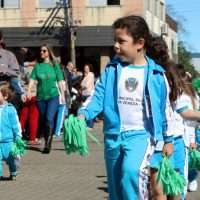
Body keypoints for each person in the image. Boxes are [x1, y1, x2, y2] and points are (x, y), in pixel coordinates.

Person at [78, 15, 174, 200]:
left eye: (121, 41)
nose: (116, 45)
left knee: (131, 172)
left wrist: (167, 139)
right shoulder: (111, 70)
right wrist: (84, 113)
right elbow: (97, 96)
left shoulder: (156, 75)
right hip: (113, 136)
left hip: (141, 136)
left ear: (139, 43)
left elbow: (165, 110)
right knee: (115, 190)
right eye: (115, 40)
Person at [147, 36, 200, 200]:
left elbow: (182, 109)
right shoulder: (148, 74)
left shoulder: (169, 76)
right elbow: (183, 110)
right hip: (158, 141)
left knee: (170, 192)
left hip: (172, 140)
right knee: (163, 193)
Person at [27, 44, 64, 154]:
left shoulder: (54, 65)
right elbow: (32, 80)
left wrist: (63, 95)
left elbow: (60, 81)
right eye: (40, 51)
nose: (41, 52)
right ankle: (46, 138)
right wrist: (29, 91)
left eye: (44, 51)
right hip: (40, 98)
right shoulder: (37, 66)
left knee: (49, 118)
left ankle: (47, 145)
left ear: (49, 52)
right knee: (44, 120)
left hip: (53, 96)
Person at [0, 82, 22, 180]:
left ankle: (13, 172)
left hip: (8, 141)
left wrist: (18, 136)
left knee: (11, 159)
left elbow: (15, 124)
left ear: (5, 96)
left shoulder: (10, 109)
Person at [0, 31, 26, 110]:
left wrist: (4, 70)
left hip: (5, 90)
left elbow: (15, 74)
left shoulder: (9, 55)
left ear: (1, 40)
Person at [80, 63, 95, 129]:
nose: (85, 69)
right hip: (84, 94)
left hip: (89, 94)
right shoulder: (85, 75)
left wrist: (81, 87)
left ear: (89, 68)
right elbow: (81, 84)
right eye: (85, 68)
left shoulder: (91, 74)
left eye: (87, 68)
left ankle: (90, 125)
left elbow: (85, 85)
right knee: (85, 109)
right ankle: (87, 123)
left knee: (89, 109)